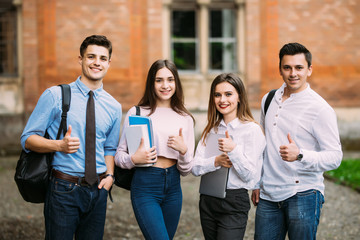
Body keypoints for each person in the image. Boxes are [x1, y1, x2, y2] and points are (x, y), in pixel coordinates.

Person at [20, 35, 122, 240]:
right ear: (81, 59)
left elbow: (110, 149)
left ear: (109, 63)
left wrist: (110, 176)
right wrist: (59, 145)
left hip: (99, 190)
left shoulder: (114, 106)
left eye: (102, 58)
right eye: (91, 56)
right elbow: (27, 139)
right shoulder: (55, 95)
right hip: (63, 190)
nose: (97, 62)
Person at [252, 42, 343, 240]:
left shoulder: (320, 108)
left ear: (309, 70)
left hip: (304, 194)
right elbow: (263, 146)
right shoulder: (268, 99)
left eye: (299, 67)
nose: (293, 73)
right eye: (287, 67)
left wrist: (300, 155)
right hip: (268, 195)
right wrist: (257, 182)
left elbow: (335, 157)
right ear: (280, 70)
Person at [115, 59, 195, 240]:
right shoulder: (136, 113)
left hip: (174, 187)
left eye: (170, 79)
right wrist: (134, 159)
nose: (165, 85)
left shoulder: (185, 118)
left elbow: (186, 170)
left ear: (176, 83)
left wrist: (183, 152)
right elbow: (119, 155)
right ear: (151, 83)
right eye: (159, 80)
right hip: (145, 185)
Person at [192, 73, 266, 240]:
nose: (222, 100)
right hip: (208, 199)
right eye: (217, 95)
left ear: (239, 97)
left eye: (228, 94)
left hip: (234, 201)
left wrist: (233, 150)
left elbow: (250, 176)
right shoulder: (211, 129)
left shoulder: (252, 130)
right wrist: (216, 161)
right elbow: (195, 168)